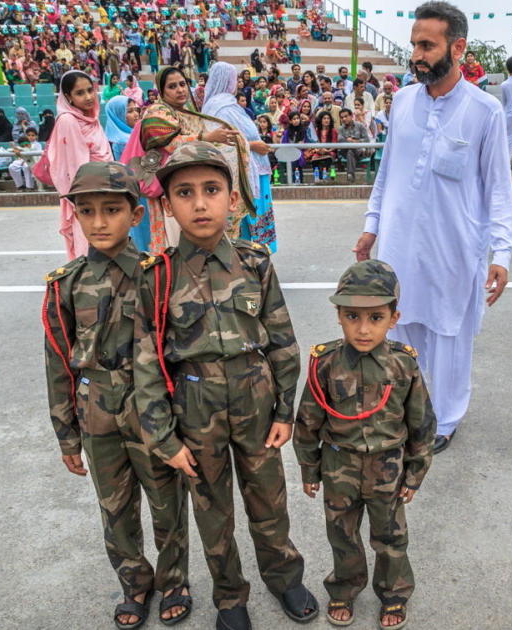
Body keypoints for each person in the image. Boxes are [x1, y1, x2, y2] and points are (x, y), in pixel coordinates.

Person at [133, 142, 319, 630]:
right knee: (212, 510)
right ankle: (230, 597)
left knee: (268, 499)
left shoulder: (255, 263)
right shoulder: (158, 275)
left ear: (232, 200)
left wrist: (284, 412)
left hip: (255, 396)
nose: (199, 204)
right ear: (166, 204)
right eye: (185, 193)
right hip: (195, 405)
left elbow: (282, 341)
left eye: (211, 190)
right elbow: (147, 362)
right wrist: (163, 437)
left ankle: (284, 577)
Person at [354, 1, 512, 454]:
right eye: (414, 45)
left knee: (448, 336)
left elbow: (499, 190)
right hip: (399, 244)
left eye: (427, 45)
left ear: (457, 47)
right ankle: (405, 411)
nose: (417, 55)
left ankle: (444, 421)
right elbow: (387, 172)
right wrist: (372, 226)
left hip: (453, 248)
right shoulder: (403, 102)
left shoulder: (483, 111)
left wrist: (501, 254)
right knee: (401, 329)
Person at [42, 161, 191, 630]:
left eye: (111, 209)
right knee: (115, 507)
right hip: (97, 413)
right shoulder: (65, 283)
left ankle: (174, 582)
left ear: (136, 214)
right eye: (87, 211)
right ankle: (134, 583)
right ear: (76, 217)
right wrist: (67, 435)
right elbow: (58, 363)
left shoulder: (159, 274)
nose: (99, 222)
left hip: (153, 412)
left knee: (167, 503)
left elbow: (179, 353)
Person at [293, 260, 435, 630]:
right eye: (352, 316)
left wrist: (414, 475)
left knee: (390, 537)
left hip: (387, 466)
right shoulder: (324, 364)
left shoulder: (403, 366)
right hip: (339, 465)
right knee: (342, 534)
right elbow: (308, 420)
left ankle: (394, 593)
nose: (363, 328)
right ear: (338, 315)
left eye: (375, 317)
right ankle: (343, 588)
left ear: (393, 317)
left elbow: (421, 424)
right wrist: (310, 469)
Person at [133, 66, 255, 250]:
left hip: (192, 183)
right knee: (176, 241)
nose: (180, 90)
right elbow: (170, 144)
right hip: (170, 186)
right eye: (172, 86)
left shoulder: (187, 111)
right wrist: (207, 138)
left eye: (182, 84)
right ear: (161, 90)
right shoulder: (157, 112)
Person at [202, 61, 279, 252]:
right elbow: (224, 142)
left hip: (248, 166)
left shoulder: (222, 104)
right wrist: (253, 145)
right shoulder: (222, 107)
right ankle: (251, 257)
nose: (237, 82)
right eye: (234, 78)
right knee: (247, 220)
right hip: (242, 172)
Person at [46, 70, 114, 260]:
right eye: (80, 93)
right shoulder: (68, 120)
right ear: (68, 97)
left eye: (90, 90)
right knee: (91, 248)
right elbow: (78, 169)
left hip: (106, 189)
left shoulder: (91, 118)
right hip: (89, 194)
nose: (88, 97)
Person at [337, 107, 370, 182]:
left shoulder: (360, 126)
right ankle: (350, 174)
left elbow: (367, 140)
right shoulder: (341, 129)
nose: (344, 119)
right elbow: (340, 140)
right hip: (345, 151)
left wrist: (355, 141)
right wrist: (350, 142)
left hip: (359, 151)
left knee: (350, 151)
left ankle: (350, 175)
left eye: (346, 116)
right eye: (342, 117)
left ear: (351, 116)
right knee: (350, 151)